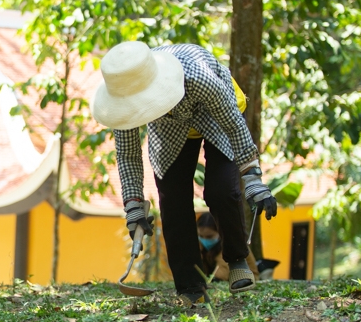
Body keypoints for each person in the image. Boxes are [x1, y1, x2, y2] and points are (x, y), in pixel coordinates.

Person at [90, 42, 278, 306]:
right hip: (169, 128)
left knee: (221, 189)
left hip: (217, 115)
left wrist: (253, 178)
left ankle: (237, 260)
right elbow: (128, 155)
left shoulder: (198, 76)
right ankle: (190, 286)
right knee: (172, 198)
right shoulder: (122, 101)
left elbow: (234, 125)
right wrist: (133, 206)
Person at [197, 213, 258, 282]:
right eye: (201, 236)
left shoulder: (230, 244)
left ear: (220, 233)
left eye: (209, 237)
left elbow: (221, 276)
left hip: (247, 280)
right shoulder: (201, 244)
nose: (204, 240)